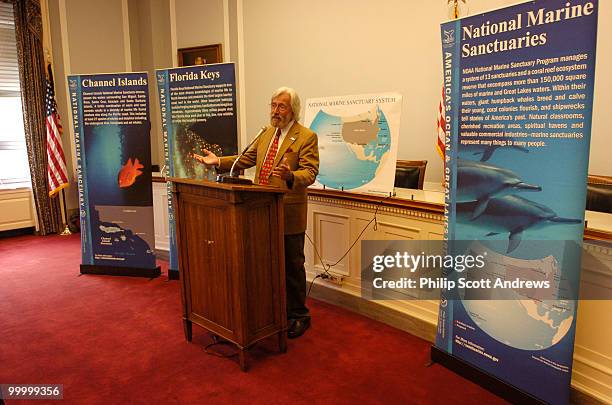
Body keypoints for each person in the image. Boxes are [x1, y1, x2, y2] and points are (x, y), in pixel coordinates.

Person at [193, 87, 319, 339]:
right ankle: (271, 310)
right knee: (264, 264)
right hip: (260, 210)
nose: (275, 111)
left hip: (288, 213)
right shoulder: (266, 133)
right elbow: (245, 158)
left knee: (291, 265)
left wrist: (290, 175)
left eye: (281, 106)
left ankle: (298, 315)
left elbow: (311, 173)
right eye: (272, 105)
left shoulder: (306, 136)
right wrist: (217, 161)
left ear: (292, 110)